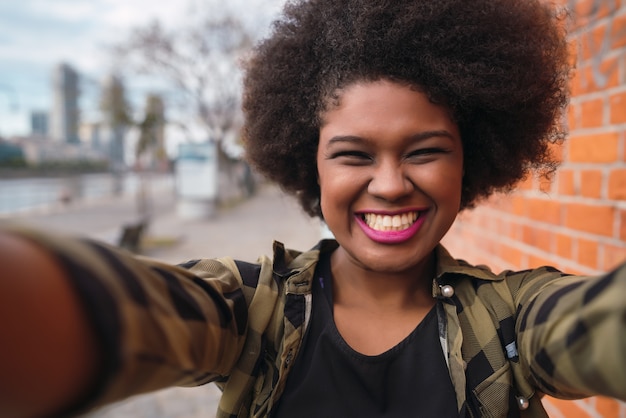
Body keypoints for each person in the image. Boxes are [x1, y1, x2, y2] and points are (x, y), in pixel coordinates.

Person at [1, 0, 625, 417]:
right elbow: (116, 312)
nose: (389, 185)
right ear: (311, 165)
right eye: (353, 155)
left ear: (471, 160)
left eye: (425, 151)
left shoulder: (513, 320)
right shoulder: (250, 312)